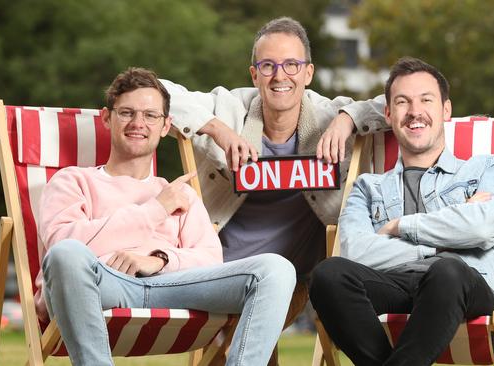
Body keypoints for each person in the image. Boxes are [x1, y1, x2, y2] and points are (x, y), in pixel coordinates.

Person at [35, 67, 296, 366]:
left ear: (165, 125)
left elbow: (210, 260)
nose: (138, 123)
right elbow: (62, 250)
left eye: (150, 115)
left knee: (276, 269)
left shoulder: (179, 193)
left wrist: (159, 260)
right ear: (107, 119)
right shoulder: (72, 181)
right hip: (102, 286)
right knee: (66, 254)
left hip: (173, 287)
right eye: (126, 113)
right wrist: (154, 210)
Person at [159, 17, 387, 339]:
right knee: (247, 327)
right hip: (215, 271)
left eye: (292, 65)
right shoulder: (228, 108)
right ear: (254, 75)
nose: (280, 76)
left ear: (308, 73)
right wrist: (217, 129)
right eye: (268, 66)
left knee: (261, 305)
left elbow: (399, 101)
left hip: (291, 279)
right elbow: (152, 90)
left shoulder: (329, 115)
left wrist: (349, 118)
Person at [309, 57, 494, 366]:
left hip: (469, 291)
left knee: (447, 270)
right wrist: (444, 241)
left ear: (445, 110)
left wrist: (399, 227)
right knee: (328, 274)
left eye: (426, 100)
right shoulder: (367, 187)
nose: (415, 112)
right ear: (388, 113)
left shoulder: (485, 168)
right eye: (402, 102)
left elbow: (482, 228)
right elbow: (355, 252)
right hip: (397, 287)